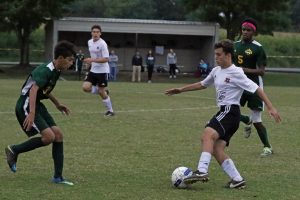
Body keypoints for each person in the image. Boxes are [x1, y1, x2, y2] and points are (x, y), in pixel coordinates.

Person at [165, 39, 281, 189]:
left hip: (230, 111)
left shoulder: (236, 72)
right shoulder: (216, 71)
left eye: (219, 55)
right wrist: (180, 89)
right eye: (215, 54)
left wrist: (271, 107)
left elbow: (257, 89)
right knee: (216, 149)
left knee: (207, 134)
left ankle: (201, 171)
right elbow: (202, 84)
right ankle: (237, 179)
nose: (216, 57)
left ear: (228, 55)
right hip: (226, 113)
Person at [5, 40, 76, 186]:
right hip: (26, 103)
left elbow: (44, 90)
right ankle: (14, 150)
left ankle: (58, 177)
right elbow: (33, 90)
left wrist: (57, 104)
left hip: (37, 104)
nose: (71, 64)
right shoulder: (46, 70)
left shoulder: (56, 71)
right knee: (49, 136)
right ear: (61, 58)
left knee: (58, 135)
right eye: (69, 60)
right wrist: (31, 113)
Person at [233, 18, 273, 156]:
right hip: (238, 85)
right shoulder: (235, 46)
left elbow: (261, 71)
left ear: (253, 32)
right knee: (230, 111)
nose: (245, 32)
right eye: (243, 29)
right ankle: (246, 120)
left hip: (254, 85)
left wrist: (244, 70)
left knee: (257, 119)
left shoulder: (258, 48)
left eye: (248, 30)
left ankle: (267, 147)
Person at [82, 25, 114, 116]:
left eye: (97, 32)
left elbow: (106, 59)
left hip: (103, 71)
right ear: (91, 33)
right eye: (93, 32)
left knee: (101, 92)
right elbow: (93, 56)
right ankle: (104, 92)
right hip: (93, 70)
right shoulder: (89, 42)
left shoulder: (103, 44)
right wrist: (89, 63)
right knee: (85, 88)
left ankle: (110, 111)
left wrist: (91, 60)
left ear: (100, 33)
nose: (95, 33)